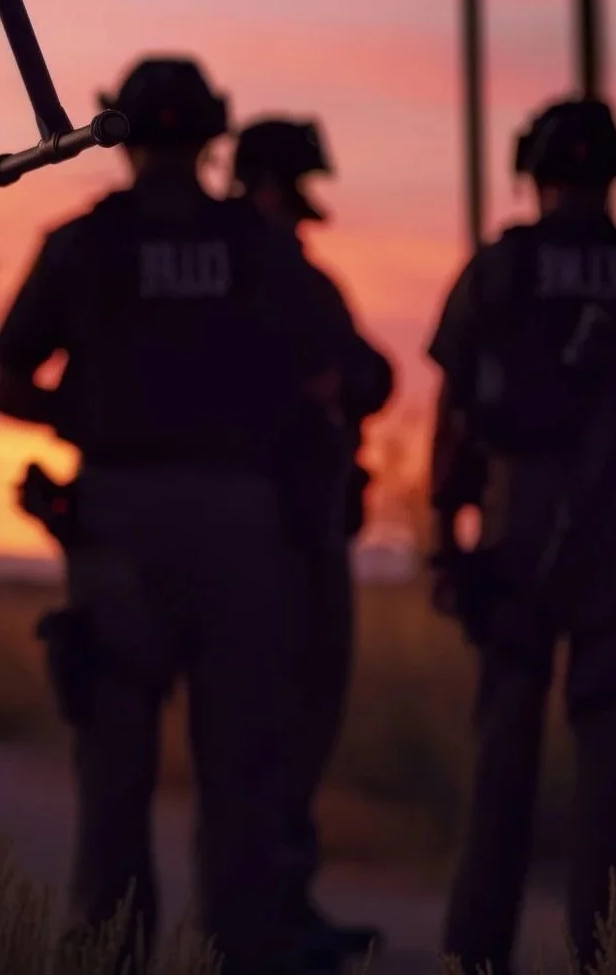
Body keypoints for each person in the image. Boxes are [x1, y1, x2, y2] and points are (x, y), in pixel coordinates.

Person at [0, 57, 349, 975]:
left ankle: (112, 955)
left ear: (123, 135)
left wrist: (81, 416)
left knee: (114, 773)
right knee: (240, 768)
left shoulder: (83, 244)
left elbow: (4, 379)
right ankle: (244, 949)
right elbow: (332, 373)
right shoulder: (259, 247)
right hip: (242, 525)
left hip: (116, 525)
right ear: (209, 135)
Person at [424, 96, 616, 972]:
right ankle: (605, 957)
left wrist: (442, 535)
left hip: (517, 528)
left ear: (533, 172)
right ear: (615, 175)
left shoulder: (498, 269)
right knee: (609, 772)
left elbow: (449, 417)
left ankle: (473, 956)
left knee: (501, 763)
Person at [230, 117, 394, 972]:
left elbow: (370, 372)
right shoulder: (268, 275)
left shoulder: (288, 276)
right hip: (284, 535)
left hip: (303, 520)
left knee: (290, 725)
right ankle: (266, 914)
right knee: (281, 722)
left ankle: (280, 904)